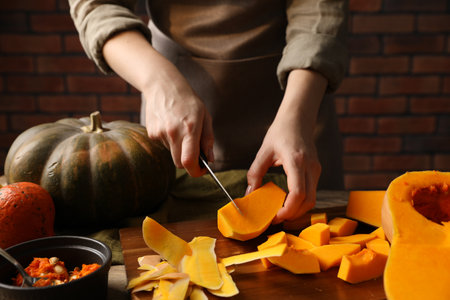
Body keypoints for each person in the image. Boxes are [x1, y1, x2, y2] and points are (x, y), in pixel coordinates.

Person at [69, 0, 348, 224]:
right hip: (172, 89)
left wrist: (297, 116)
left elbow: (319, 7)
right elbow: (98, 6)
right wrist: (159, 82)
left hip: (298, 95)